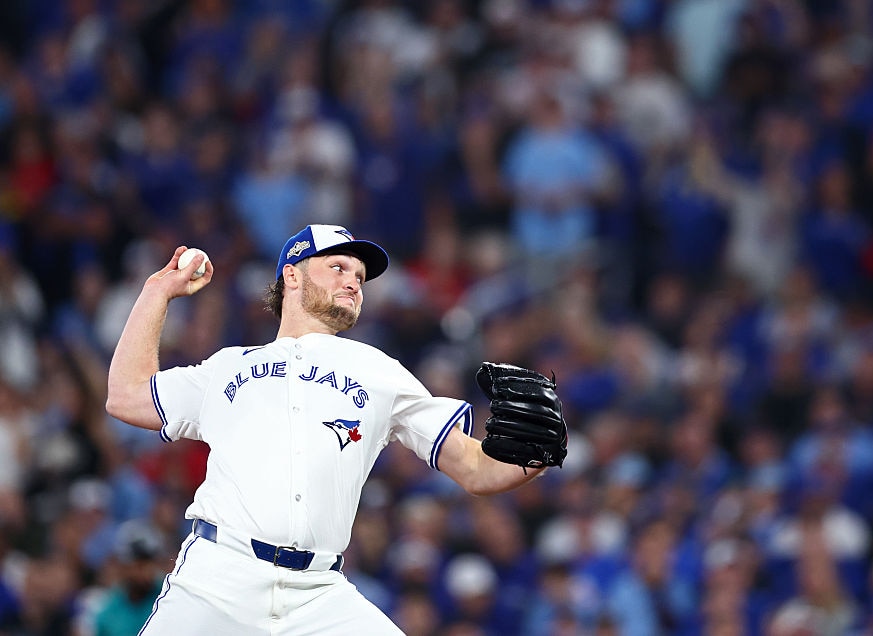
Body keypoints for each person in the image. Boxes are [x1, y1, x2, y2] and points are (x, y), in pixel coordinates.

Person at [105, 224, 565, 634]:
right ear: (292, 275)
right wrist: (156, 293)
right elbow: (125, 396)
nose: (354, 282)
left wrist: (533, 458)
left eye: (360, 278)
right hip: (219, 577)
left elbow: (475, 468)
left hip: (318, 593)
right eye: (339, 267)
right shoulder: (228, 368)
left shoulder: (379, 370)